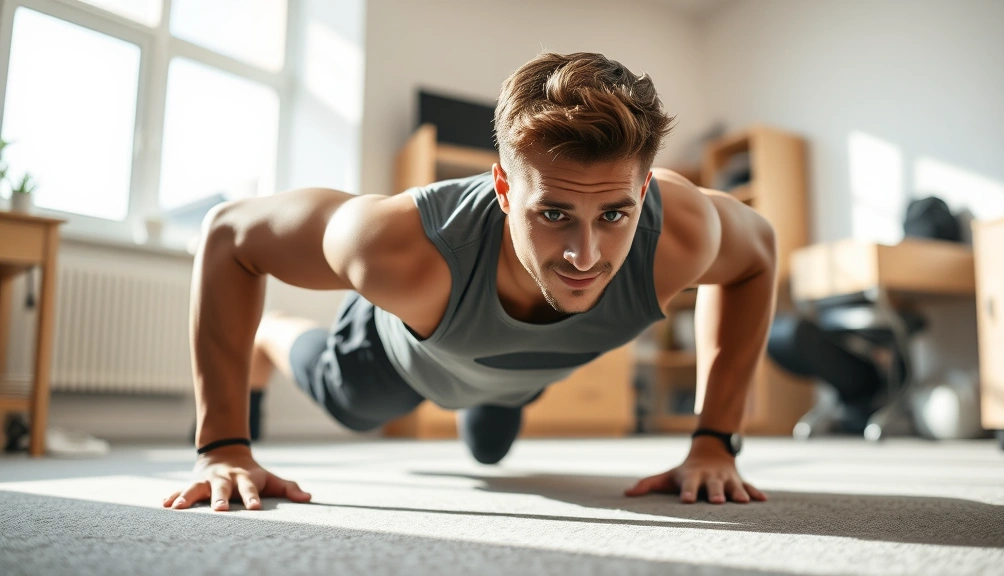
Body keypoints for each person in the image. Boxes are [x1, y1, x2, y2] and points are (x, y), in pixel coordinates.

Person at [163, 51, 774, 513]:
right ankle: (277, 336)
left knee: (489, 452)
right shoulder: (397, 245)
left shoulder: (685, 231)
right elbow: (229, 234)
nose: (585, 256)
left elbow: (759, 256)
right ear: (505, 190)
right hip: (396, 358)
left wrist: (715, 441)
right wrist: (221, 446)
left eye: (614, 215)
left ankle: (482, 398)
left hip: (511, 377)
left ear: (643, 190)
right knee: (353, 408)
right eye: (553, 213)